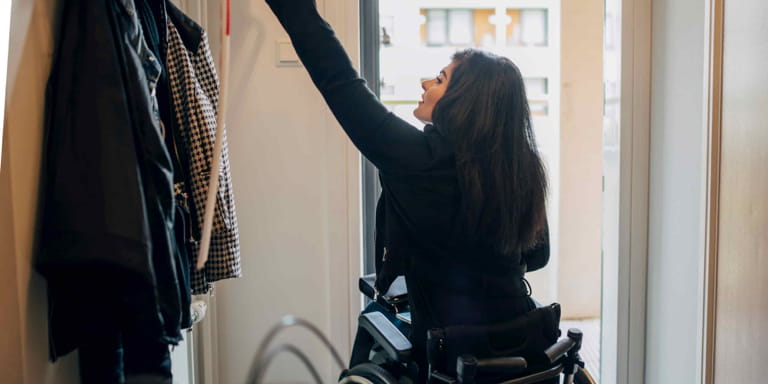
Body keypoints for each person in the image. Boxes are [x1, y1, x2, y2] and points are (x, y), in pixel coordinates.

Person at [265, 0, 551, 379]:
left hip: (447, 351)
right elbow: (539, 256)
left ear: (463, 101)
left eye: (439, 79)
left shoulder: (417, 159)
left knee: (374, 316)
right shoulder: (520, 166)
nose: (425, 83)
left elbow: (337, 78)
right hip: (520, 343)